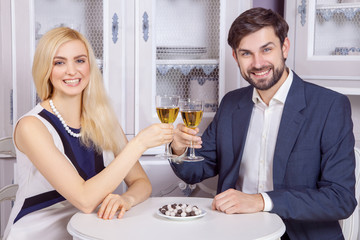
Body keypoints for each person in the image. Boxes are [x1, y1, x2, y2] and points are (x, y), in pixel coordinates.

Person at [170, 7, 356, 240]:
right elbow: (196, 169)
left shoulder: (329, 106)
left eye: (266, 49)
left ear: (284, 47)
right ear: (235, 57)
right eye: (246, 53)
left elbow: (340, 199)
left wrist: (260, 201)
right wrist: (178, 148)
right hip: (234, 232)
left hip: (299, 235)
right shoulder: (231, 103)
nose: (258, 63)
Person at [4, 27, 174, 240]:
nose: (72, 71)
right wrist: (138, 144)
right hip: (40, 233)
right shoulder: (31, 126)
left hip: (90, 232)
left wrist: (127, 200)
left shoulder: (103, 121)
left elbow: (142, 183)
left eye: (80, 60)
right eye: (59, 62)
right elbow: (85, 200)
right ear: (45, 69)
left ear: (90, 66)